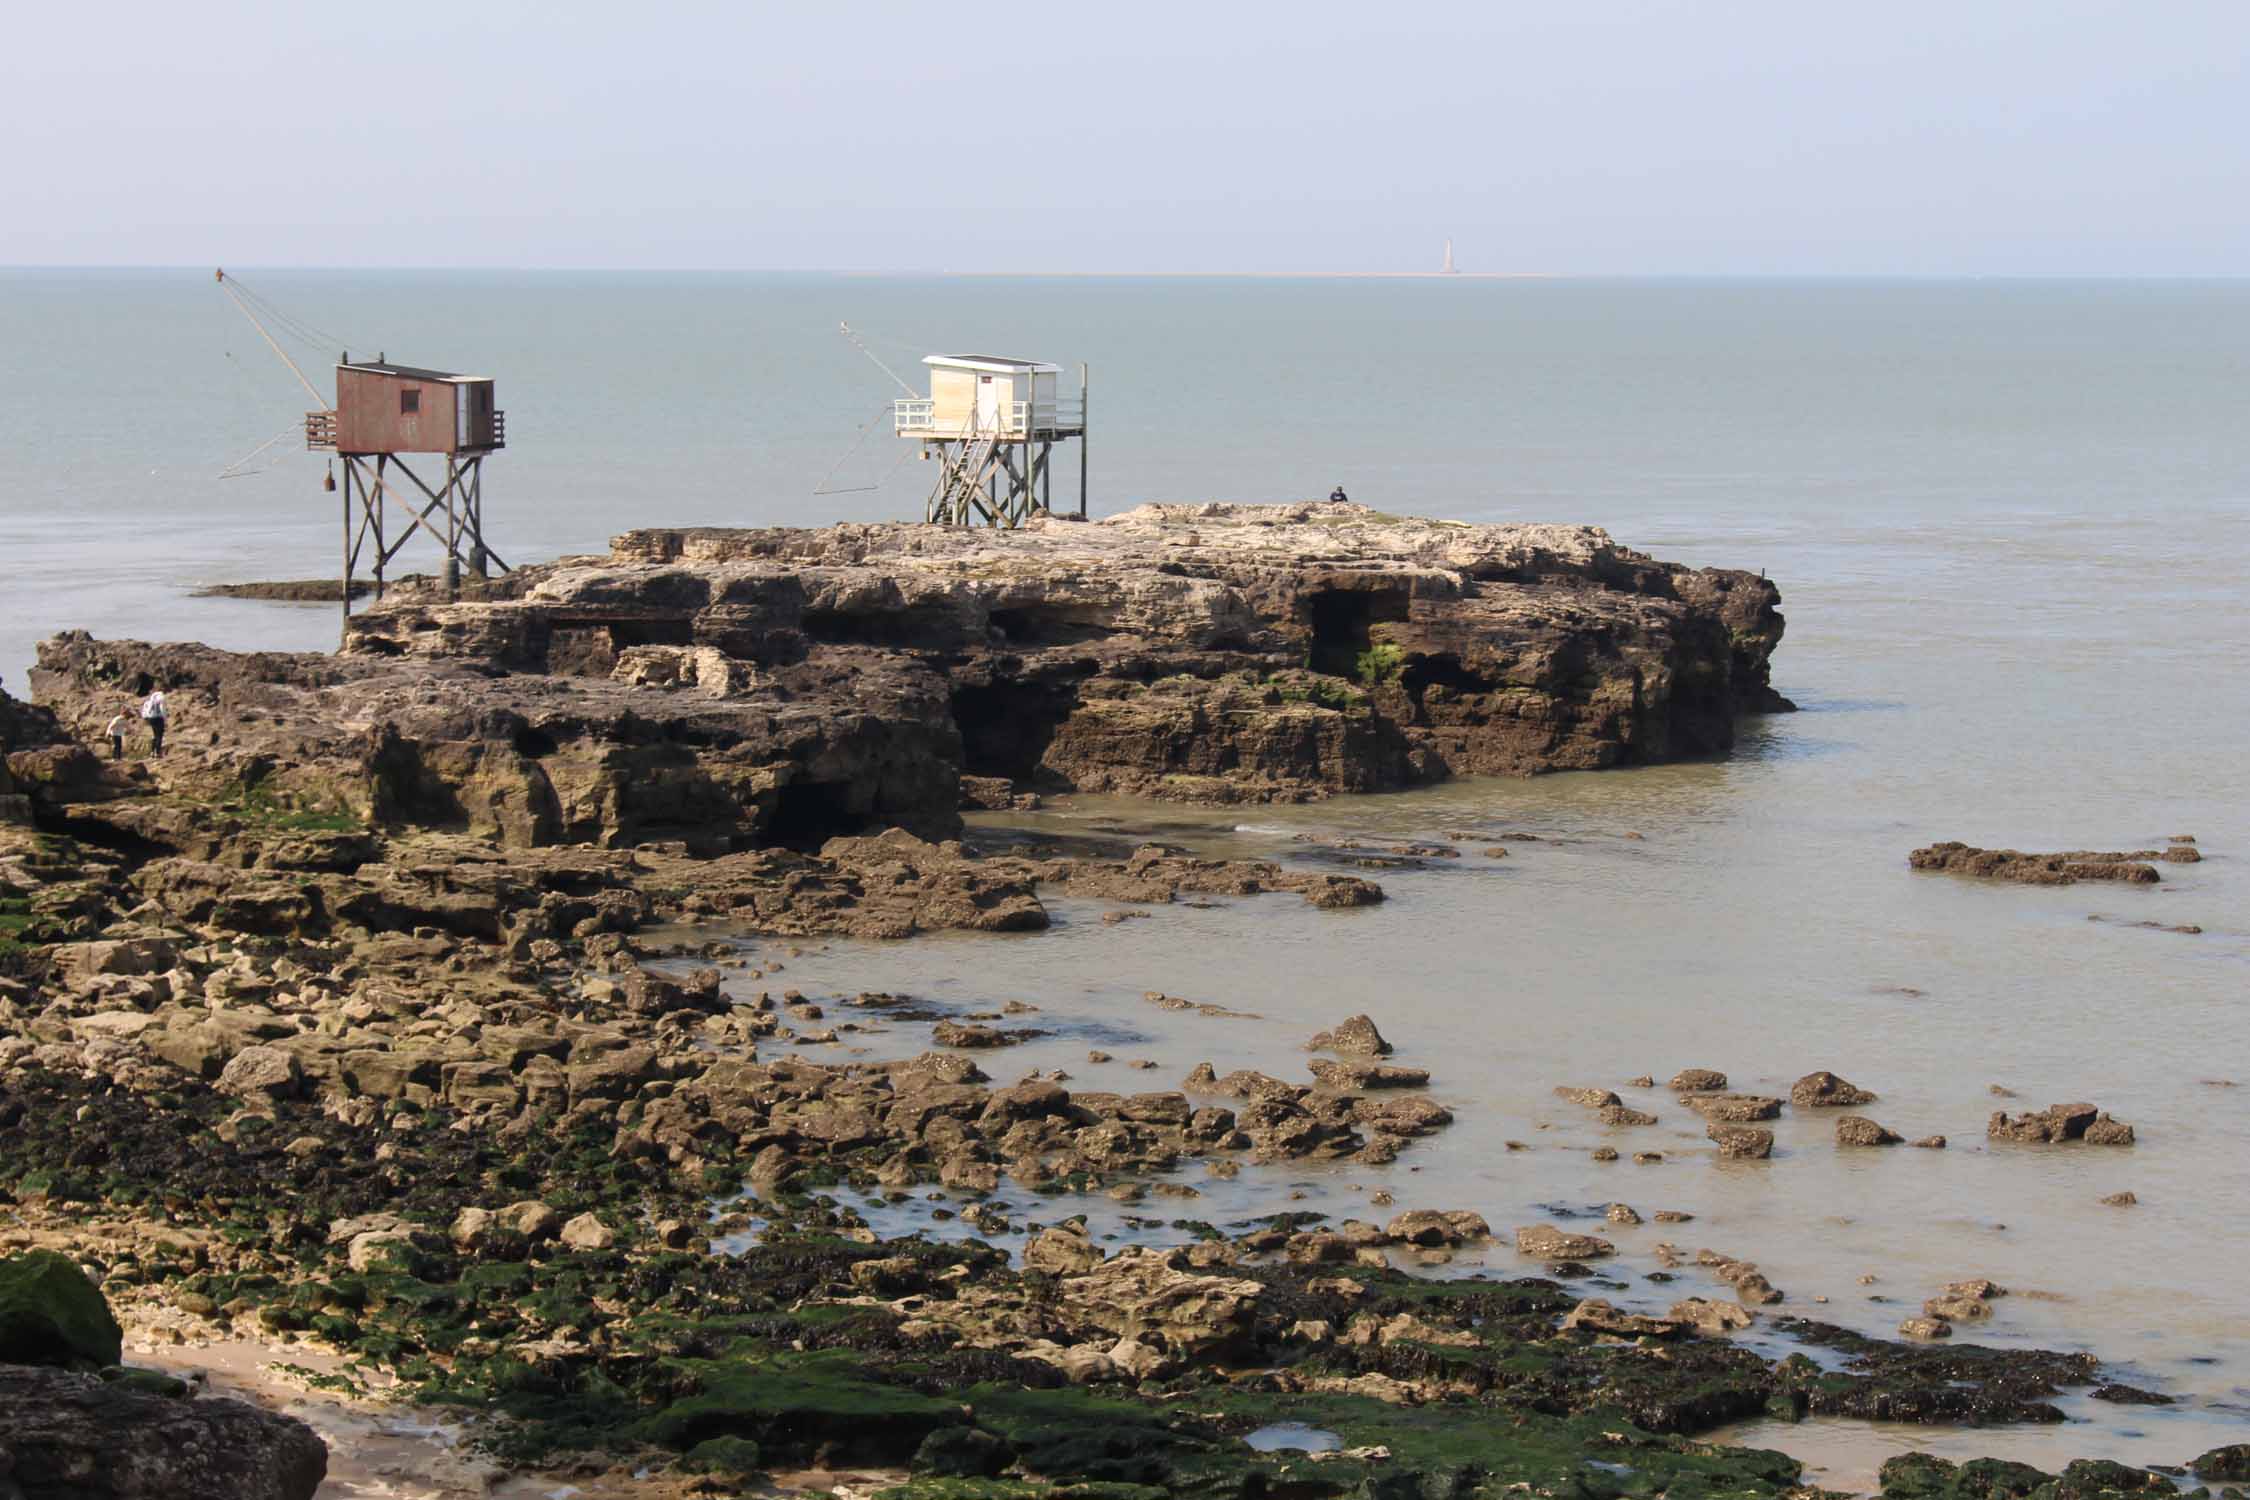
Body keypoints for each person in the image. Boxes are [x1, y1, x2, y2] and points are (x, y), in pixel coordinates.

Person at [140, 687, 169, 757]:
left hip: (150, 718)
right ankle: (158, 752)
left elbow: (144, 710)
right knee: (159, 735)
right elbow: (162, 710)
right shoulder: (161, 698)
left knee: (154, 735)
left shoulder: (149, 701)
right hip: (158, 718)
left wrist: (145, 718)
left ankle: (152, 751)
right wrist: (165, 720)